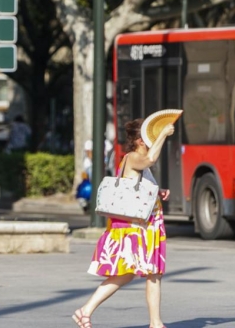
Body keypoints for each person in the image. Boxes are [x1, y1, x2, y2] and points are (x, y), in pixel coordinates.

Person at [72, 118, 175, 328]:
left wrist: (158, 191)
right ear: (140, 141)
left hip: (147, 225)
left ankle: (155, 323)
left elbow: (138, 190)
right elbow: (151, 160)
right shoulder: (134, 157)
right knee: (131, 274)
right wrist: (164, 134)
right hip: (136, 228)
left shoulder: (136, 159)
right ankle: (86, 310)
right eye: (150, 138)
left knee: (150, 273)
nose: (153, 142)